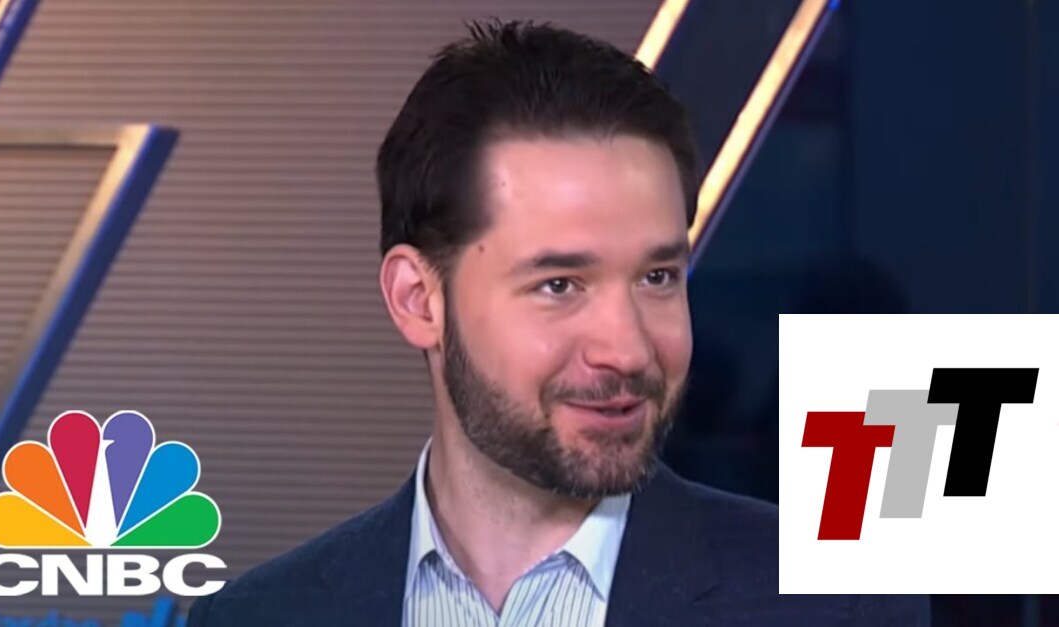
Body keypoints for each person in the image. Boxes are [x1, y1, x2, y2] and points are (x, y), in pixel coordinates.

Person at [188, 19, 929, 626]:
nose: (628, 349)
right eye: (559, 284)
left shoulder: (836, 608)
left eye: (657, 277)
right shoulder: (260, 616)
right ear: (418, 299)